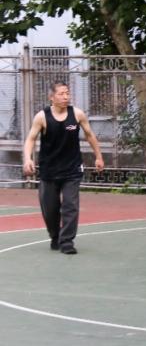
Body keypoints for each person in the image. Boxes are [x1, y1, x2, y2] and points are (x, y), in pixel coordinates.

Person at [22, 80, 105, 254]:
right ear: (51, 97)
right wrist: (27, 159)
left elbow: (90, 135)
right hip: (49, 170)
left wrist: (98, 157)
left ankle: (67, 241)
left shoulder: (77, 114)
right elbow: (30, 139)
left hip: (72, 170)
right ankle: (55, 236)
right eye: (61, 94)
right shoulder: (42, 117)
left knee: (70, 206)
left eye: (67, 93)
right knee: (50, 209)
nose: (66, 97)